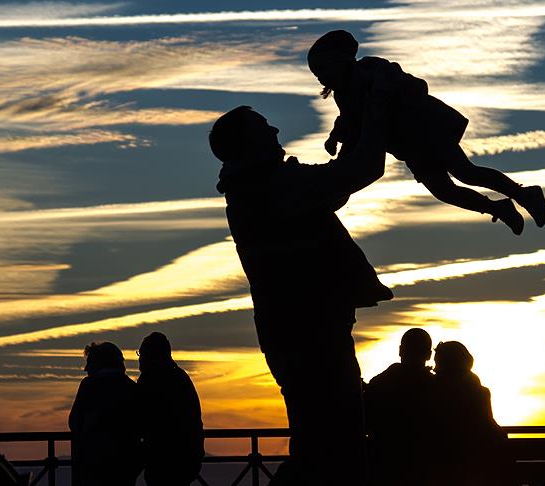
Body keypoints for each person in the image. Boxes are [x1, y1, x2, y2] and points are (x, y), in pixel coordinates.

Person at [208, 72, 392, 485]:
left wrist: (355, 123)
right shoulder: (273, 186)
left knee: (324, 443)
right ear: (246, 143)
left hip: (298, 331)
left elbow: (338, 183)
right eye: (262, 126)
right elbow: (362, 170)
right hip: (311, 332)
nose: (274, 129)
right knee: (335, 449)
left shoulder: (258, 187)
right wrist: (374, 110)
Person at [307, 29, 545, 236]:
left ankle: (524, 194)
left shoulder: (372, 68)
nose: (321, 78)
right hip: (408, 145)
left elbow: (407, 84)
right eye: (317, 75)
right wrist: (335, 137)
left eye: (323, 71)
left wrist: (381, 96)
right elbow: (350, 120)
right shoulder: (344, 94)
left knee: (465, 172)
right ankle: (500, 208)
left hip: (425, 130)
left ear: (340, 61)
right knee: (443, 190)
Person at [364, 328, 435, 486]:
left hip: (384, 466)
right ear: (429, 355)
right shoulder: (439, 389)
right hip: (426, 469)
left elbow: (364, 423)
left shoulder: (379, 384)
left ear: (400, 351)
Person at [431, 341, 507, 486]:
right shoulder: (480, 392)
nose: (435, 367)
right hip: (474, 465)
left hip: (440, 465)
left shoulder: (431, 390)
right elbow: (489, 427)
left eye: (437, 362)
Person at [69, 342, 142, 486]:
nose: (86, 369)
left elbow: (74, 422)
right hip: (125, 466)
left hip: (94, 464)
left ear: (98, 363)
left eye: (89, 363)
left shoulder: (89, 385)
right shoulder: (132, 387)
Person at [137, 332, 205, 486]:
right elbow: (194, 420)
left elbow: (141, 418)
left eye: (142, 354)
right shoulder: (180, 377)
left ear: (150, 355)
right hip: (185, 458)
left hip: (161, 459)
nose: (139, 358)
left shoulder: (149, 380)